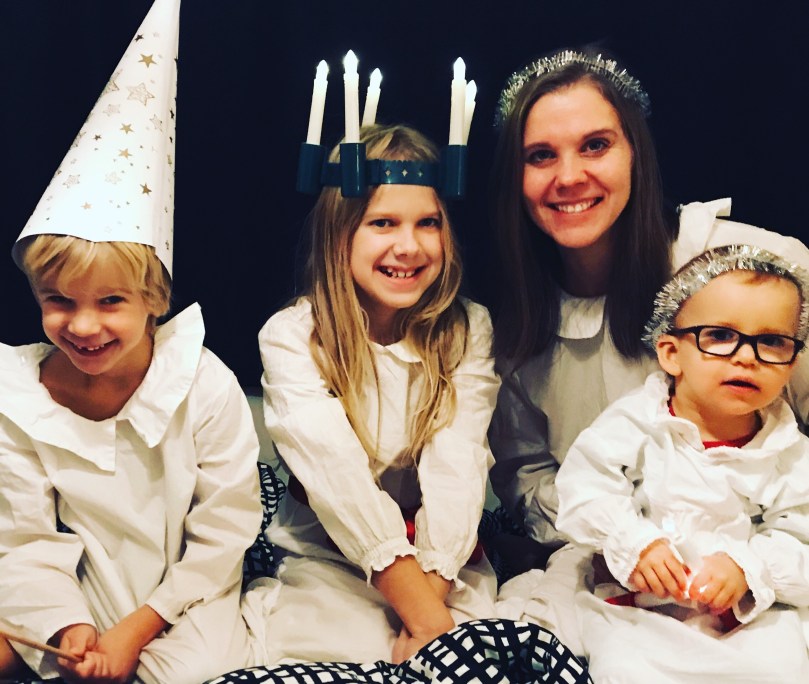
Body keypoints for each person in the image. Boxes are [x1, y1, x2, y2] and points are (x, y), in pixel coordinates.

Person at [487, 46, 809, 652]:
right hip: (616, 581)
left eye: (595, 145)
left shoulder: (757, 270)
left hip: (755, 589)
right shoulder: (516, 327)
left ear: (636, 152)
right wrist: (625, 539)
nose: (568, 176)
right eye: (540, 155)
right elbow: (528, 477)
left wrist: (750, 560)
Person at [0, 2, 263, 681]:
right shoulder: (16, 396)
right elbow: (25, 537)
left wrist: (137, 629)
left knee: (188, 673)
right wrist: (72, 628)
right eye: (59, 301)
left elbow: (224, 532)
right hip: (72, 593)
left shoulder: (202, 385)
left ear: (154, 300)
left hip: (183, 598)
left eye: (111, 301)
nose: (83, 326)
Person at [250, 124, 501, 665]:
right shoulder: (294, 336)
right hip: (329, 557)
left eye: (428, 223)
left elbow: (458, 467)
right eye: (383, 223)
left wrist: (430, 604)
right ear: (338, 234)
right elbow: (337, 477)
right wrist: (427, 621)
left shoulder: (466, 329)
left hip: (442, 561)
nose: (408, 246)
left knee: (469, 661)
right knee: (345, 655)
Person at [554, 245, 809, 682]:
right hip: (641, 606)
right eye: (720, 335)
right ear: (671, 353)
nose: (747, 356)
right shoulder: (637, 422)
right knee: (624, 668)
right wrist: (636, 543)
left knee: (780, 666)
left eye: (771, 342)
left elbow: (799, 533)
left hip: (746, 614)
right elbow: (585, 488)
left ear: (791, 363)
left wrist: (748, 567)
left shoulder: (788, 451)